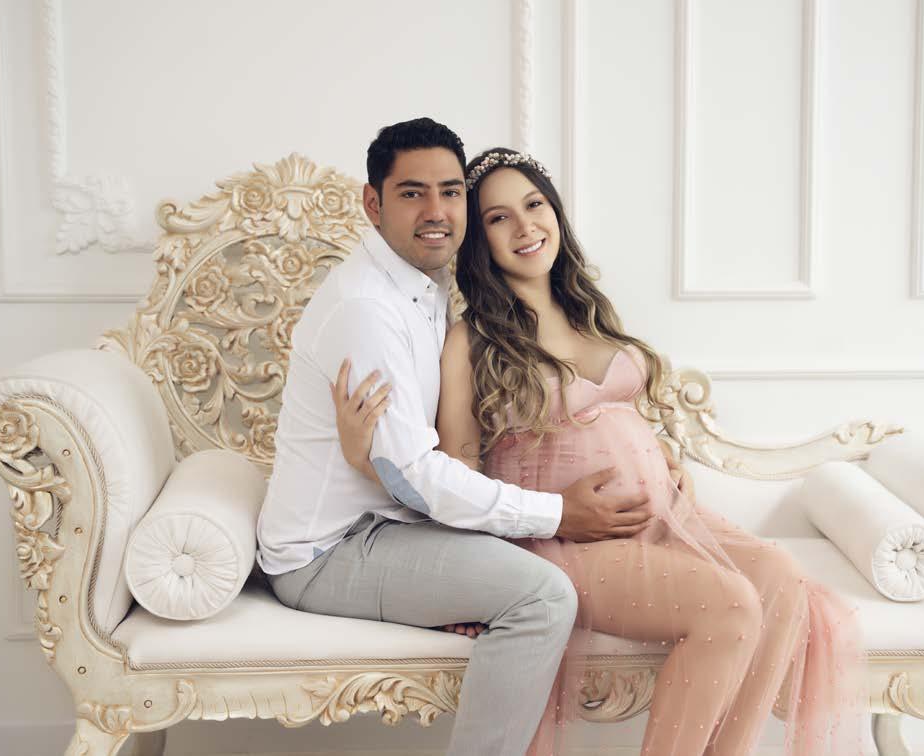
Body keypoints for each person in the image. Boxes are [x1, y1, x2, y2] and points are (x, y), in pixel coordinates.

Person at [332, 147, 870, 754]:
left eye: (535, 205)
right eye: (499, 218)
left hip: (661, 517)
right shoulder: (472, 339)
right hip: (562, 541)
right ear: (480, 241)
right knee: (730, 606)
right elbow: (456, 471)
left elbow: (613, 416)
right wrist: (367, 460)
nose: (525, 226)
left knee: (782, 581)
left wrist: (658, 459)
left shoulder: (590, 312)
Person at [256, 118, 659, 756]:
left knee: (521, 578)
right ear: (373, 203)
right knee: (541, 594)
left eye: (450, 192)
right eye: (412, 193)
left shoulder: (426, 285)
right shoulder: (368, 310)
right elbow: (413, 475)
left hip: (395, 524)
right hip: (329, 551)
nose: (436, 211)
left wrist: (385, 474)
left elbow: (420, 462)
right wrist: (560, 514)